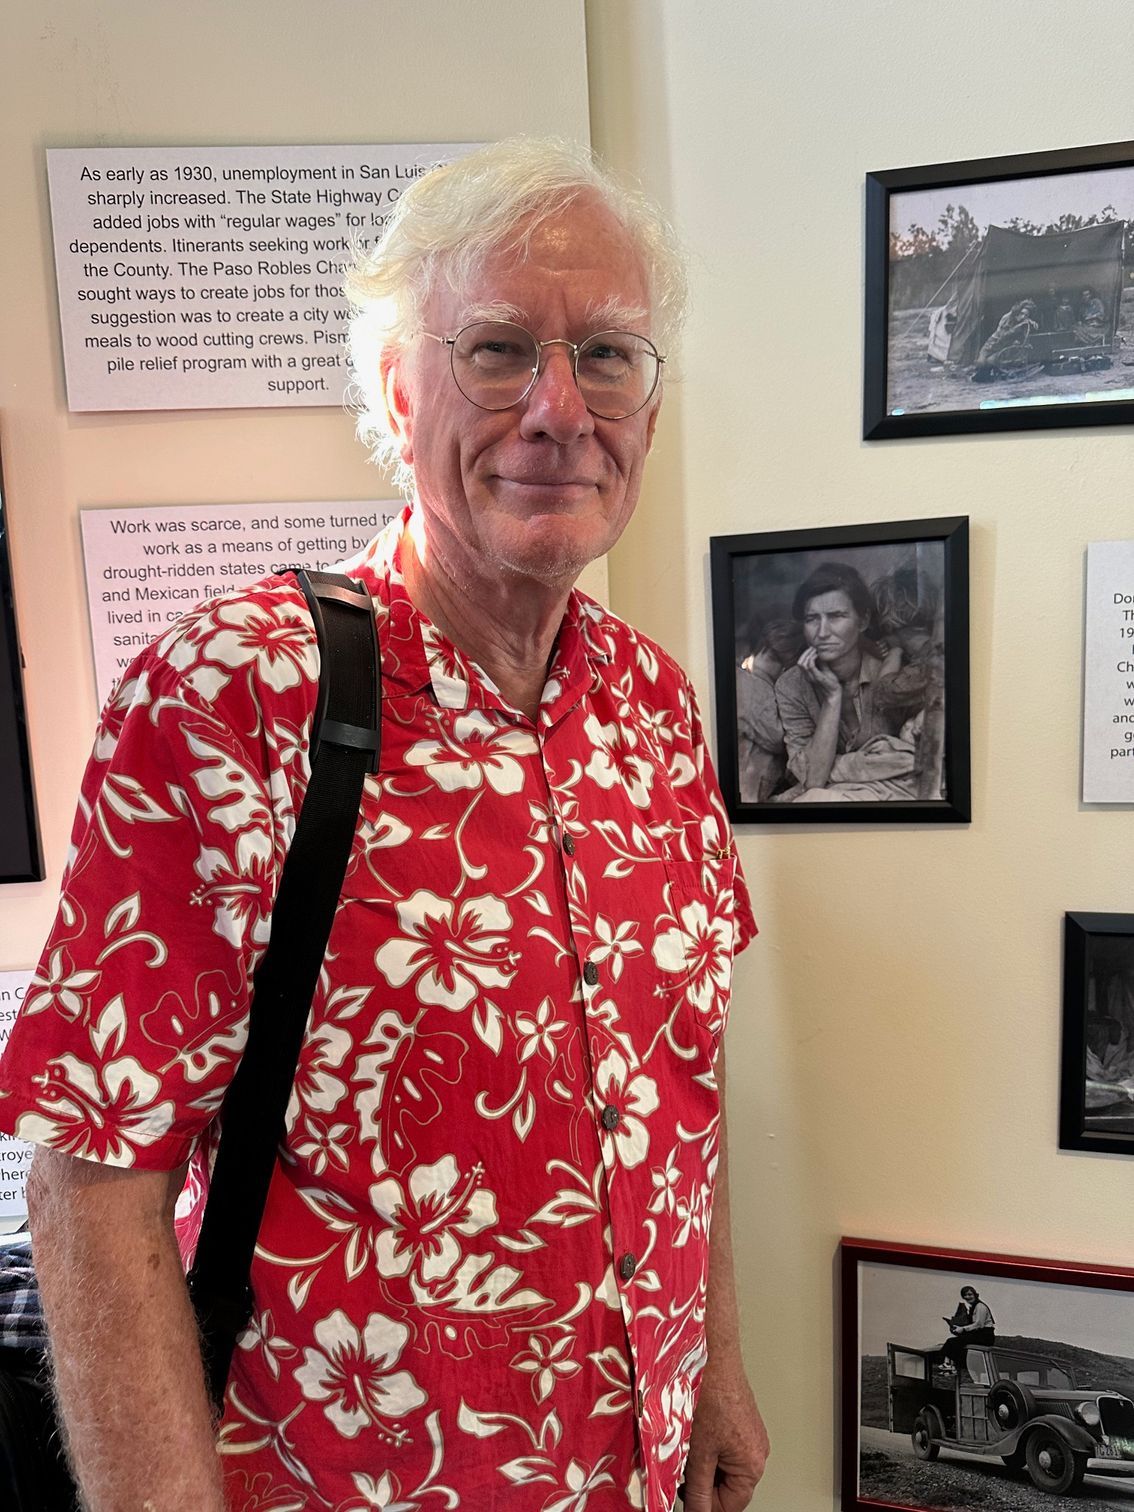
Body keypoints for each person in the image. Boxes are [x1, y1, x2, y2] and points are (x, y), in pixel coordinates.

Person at [0, 139, 769, 1512]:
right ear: (396, 388)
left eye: (605, 355)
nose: (556, 409)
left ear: (648, 408)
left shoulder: (656, 705)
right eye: (494, 351)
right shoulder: (231, 696)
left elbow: (673, 1088)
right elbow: (92, 1176)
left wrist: (710, 1364)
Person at [773, 563, 916, 802]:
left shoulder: (890, 673)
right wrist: (832, 698)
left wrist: (838, 767)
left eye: (836, 616)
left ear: (863, 621)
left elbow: (908, 762)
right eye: (812, 619)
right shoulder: (792, 686)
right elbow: (814, 780)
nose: (822, 632)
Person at [736, 620, 801, 802]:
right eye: (775, 659)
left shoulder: (743, 676)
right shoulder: (753, 685)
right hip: (748, 789)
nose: (781, 671)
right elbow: (777, 737)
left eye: (788, 667)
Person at [936, 1286, 995, 1376]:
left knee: (952, 1342)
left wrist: (963, 1329)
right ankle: (950, 1365)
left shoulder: (980, 1306)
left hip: (985, 1336)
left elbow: (979, 1324)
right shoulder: (973, 1307)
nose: (967, 1297)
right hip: (979, 1334)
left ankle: (950, 1365)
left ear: (975, 1294)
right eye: (965, 1295)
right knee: (955, 1342)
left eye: (970, 1294)